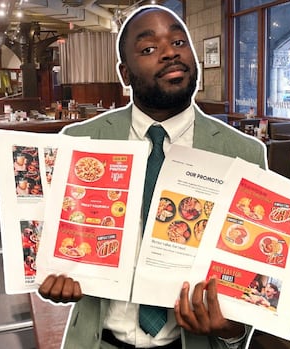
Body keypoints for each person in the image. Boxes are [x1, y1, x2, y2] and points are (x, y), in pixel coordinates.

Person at [38, 5, 267, 349]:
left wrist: (232, 329)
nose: (170, 53)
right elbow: (53, 241)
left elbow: (252, 278)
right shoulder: (80, 143)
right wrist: (49, 274)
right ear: (125, 74)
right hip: (100, 341)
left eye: (179, 42)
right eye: (148, 49)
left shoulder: (243, 154)